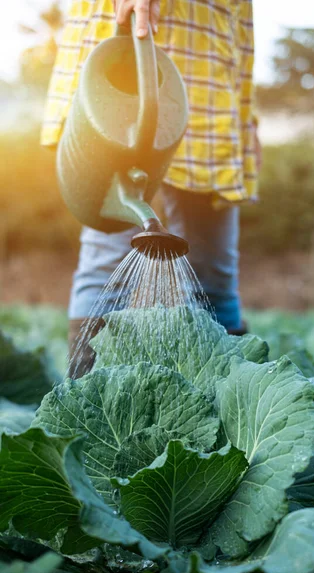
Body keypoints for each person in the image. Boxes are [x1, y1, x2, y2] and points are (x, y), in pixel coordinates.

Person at [41, 0, 260, 371]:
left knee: (214, 275)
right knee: (107, 261)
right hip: (121, 68)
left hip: (206, 61)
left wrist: (246, 120)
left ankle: (230, 403)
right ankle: (82, 416)